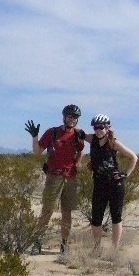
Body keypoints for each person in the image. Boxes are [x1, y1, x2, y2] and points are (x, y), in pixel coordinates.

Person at [25, 104, 85, 254]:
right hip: (54, 177)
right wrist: (35, 137)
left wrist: (75, 164)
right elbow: (38, 152)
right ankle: (37, 241)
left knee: (67, 211)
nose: (72, 120)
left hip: (70, 178)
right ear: (64, 117)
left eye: (75, 117)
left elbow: (81, 151)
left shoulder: (77, 135)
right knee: (47, 210)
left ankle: (64, 245)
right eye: (70, 116)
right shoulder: (52, 133)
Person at [82, 114, 138, 252]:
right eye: (95, 127)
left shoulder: (113, 142)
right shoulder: (92, 139)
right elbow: (78, 132)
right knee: (96, 218)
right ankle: (97, 248)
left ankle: (114, 249)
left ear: (107, 127)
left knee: (116, 217)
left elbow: (133, 157)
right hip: (99, 184)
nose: (98, 130)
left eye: (101, 127)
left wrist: (125, 174)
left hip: (115, 185)